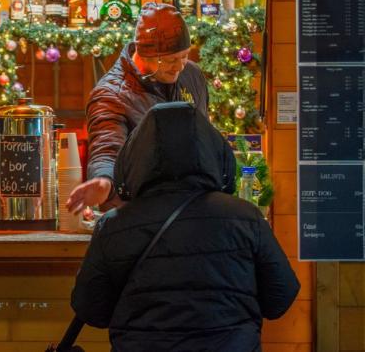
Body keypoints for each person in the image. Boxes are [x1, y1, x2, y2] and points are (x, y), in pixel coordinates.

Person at [71, 102, 299, 351]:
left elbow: (92, 310)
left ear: (135, 160)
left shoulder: (113, 226)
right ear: (212, 152)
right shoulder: (246, 218)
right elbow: (280, 299)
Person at [67, 3, 209, 214]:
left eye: (185, 55)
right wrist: (105, 182)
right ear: (145, 54)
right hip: (140, 213)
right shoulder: (111, 95)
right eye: (171, 60)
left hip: (190, 206)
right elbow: (107, 149)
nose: (180, 66)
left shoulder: (192, 74)